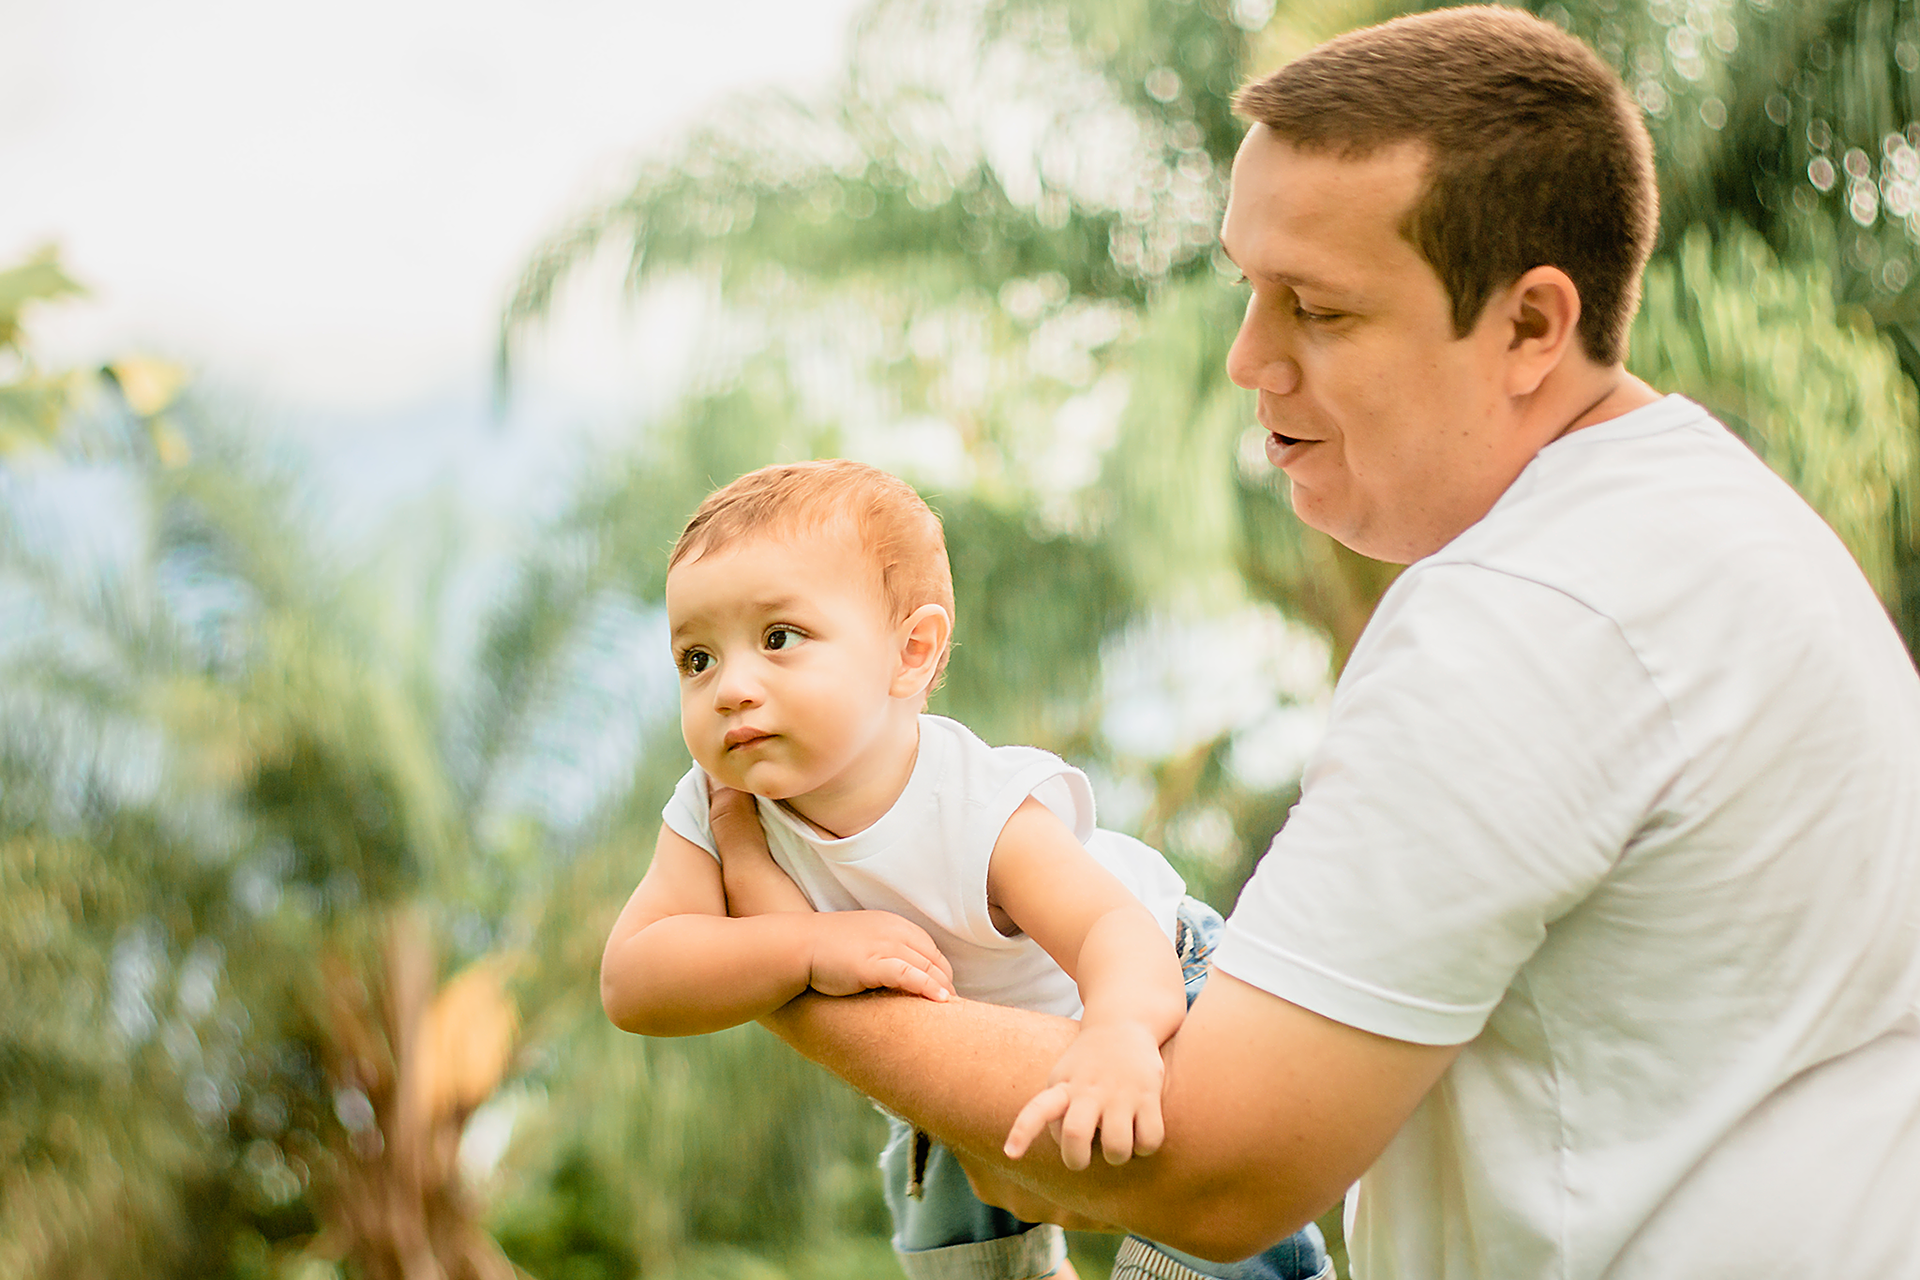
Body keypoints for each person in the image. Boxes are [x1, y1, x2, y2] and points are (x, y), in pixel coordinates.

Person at [709, 7, 1920, 1278]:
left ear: (1529, 325)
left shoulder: (1522, 618)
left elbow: (1209, 1167)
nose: (1247, 359)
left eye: (1318, 310)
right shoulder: (1719, 522)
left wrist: (791, 962)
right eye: (1248, 288)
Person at [598, 459, 1332, 1280]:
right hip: (955, 1050)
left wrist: (1121, 1031)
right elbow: (635, 979)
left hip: (1153, 985)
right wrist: (804, 950)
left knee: (1206, 1174)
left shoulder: (973, 801)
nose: (731, 688)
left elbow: (1110, 928)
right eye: (696, 659)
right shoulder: (715, 805)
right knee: (951, 1250)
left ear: (911, 653)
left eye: (778, 639)